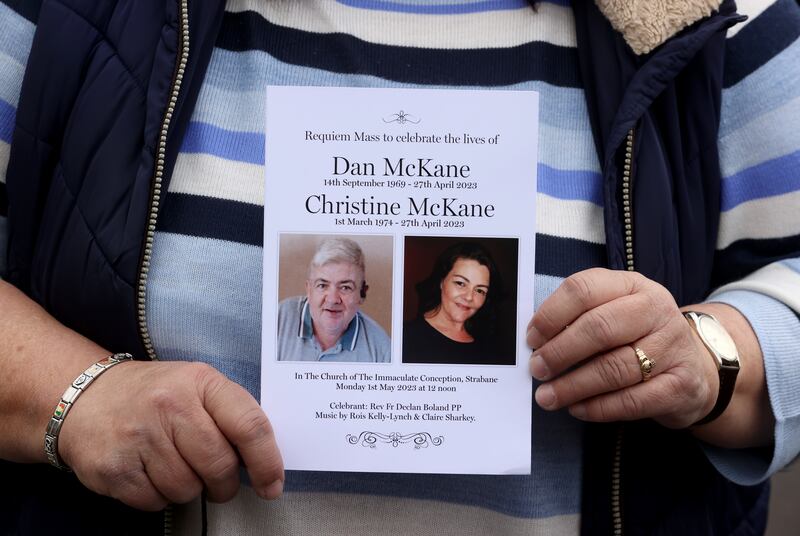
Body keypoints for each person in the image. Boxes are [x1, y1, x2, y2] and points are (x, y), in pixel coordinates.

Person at [0, 0, 798, 535]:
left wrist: (718, 356)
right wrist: (75, 393)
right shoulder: (73, 11)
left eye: (478, 288)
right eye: (464, 280)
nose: (470, 292)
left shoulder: (718, 16)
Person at [276, 238, 390, 363]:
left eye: (345, 287)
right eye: (322, 285)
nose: (333, 299)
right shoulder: (278, 320)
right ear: (309, 290)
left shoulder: (382, 351)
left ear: (362, 294)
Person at [403, 241, 512, 365]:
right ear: (442, 281)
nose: (469, 297)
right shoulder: (406, 337)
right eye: (460, 283)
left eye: (480, 290)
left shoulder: (491, 348)